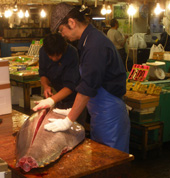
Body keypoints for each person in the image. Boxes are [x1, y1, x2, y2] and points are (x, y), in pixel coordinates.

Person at [42, 3, 130, 153]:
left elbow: (88, 88)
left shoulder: (95, 45)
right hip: (100, 115)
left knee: (112, 161)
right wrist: (71, 110)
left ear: (71, 22)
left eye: (61, 29)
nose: (62, 35)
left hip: (110, 115)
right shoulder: (87, 40)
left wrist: (68, 120)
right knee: (101, 158)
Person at [32, 33, 87, 125]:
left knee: (75, 130)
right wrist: (46, 86)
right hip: (58, 97)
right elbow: (43, 73)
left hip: (75, 99)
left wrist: (51, 100)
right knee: (56, 129)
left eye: (57, 56)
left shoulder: (72, 53)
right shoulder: (43, 51)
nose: (54, 59)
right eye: (51, 56)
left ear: (63, 50)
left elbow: (71, 85)